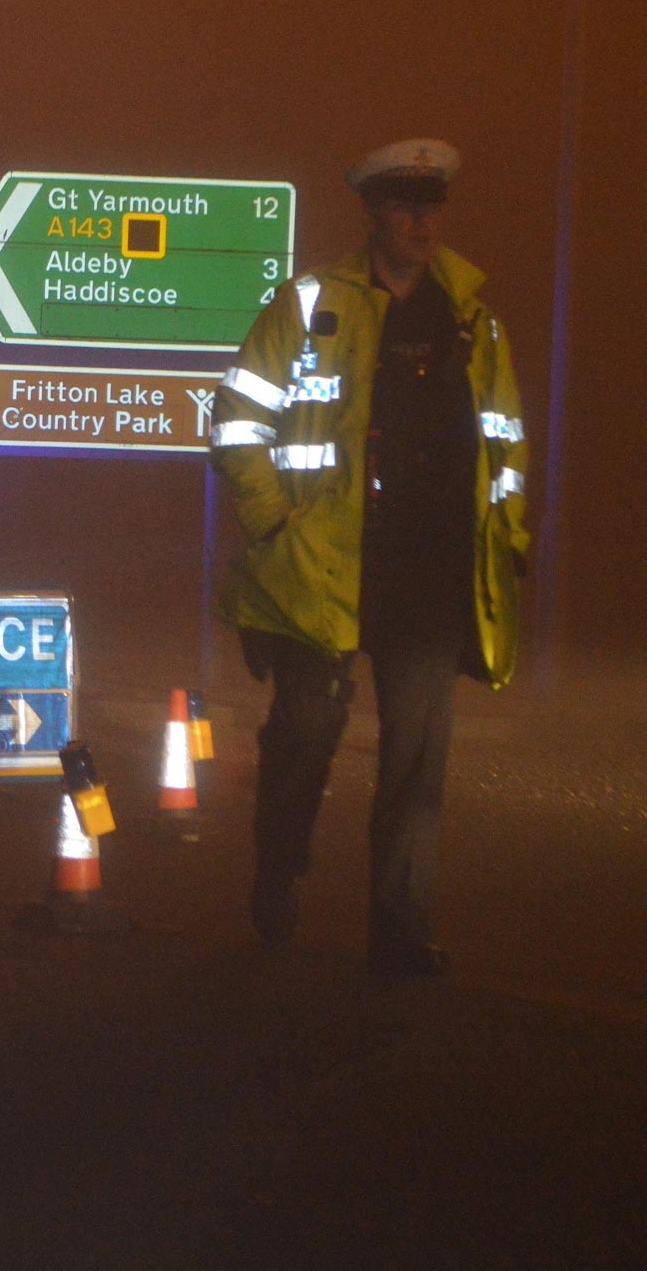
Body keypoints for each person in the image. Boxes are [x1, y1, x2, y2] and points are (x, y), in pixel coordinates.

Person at [209, 138, 529, 980]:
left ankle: (400, 933)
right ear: (373, 215)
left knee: (417, 767)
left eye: (433, 206)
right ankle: (279, 868)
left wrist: (511, 537)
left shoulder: (471, 317)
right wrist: (272, 523)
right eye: (404, 205)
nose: (423, 221)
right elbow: (238, 419)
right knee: (306, 738)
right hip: (323, 569)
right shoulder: (312, 303)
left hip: (430, 574)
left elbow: (505, 436)